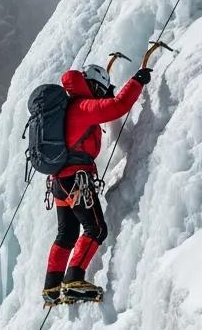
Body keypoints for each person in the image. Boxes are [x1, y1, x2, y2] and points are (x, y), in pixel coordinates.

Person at [42, 45, 158, 305]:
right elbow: (118, 106)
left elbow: (100, 110)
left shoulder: (70, 107)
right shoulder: (82, 107)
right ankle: (74, 280)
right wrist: (137, 80)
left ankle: (51, 288)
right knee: (96, 228)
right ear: (94, 87)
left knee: (66, 234)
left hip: (59, 182)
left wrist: (101, 97)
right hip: (77, 181)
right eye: (100, 90)